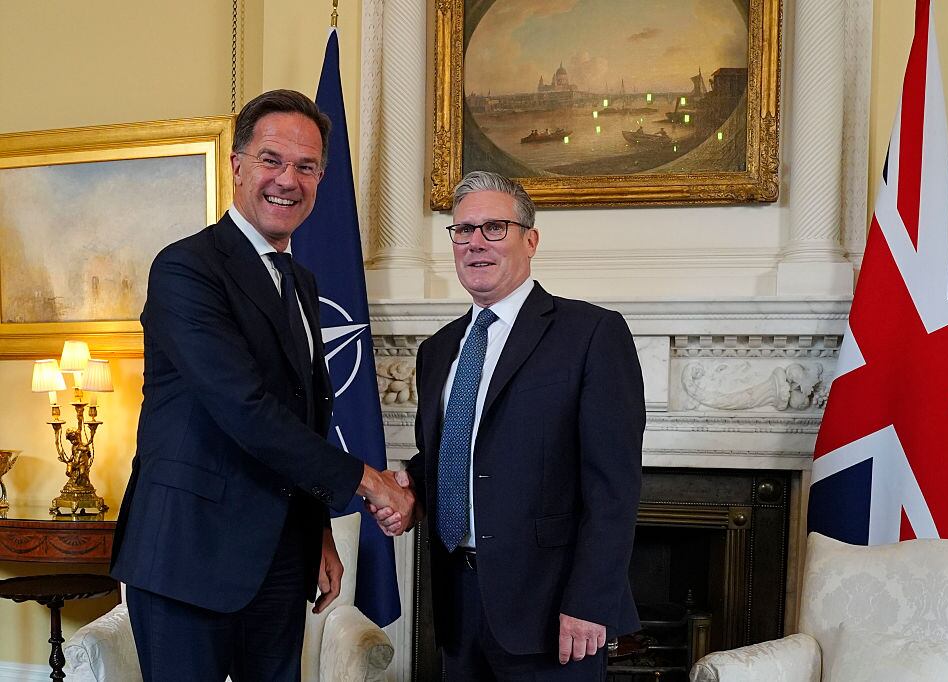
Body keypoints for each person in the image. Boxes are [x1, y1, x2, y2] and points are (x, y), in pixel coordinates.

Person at [110, 89, 414, 682]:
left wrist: (317, 533)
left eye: (306, 167)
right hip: (187, 558)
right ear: (237, 165)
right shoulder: (185, 268)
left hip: (277, 562)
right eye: (272, 160)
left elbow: (301, 417)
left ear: (322, 178)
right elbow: (243, 408)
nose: (287, 181)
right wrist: (368, 481)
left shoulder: (300, 279)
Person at [373, 170, 645, 679]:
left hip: (554, 612)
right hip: (460, 606)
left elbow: (614, 486)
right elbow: (462, 451)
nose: (476, 242)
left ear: (531, 239)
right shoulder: (437, 351)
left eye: (494, 228)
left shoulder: (591, 334)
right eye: (463, 230)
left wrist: (590, 600)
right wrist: (411, 486)